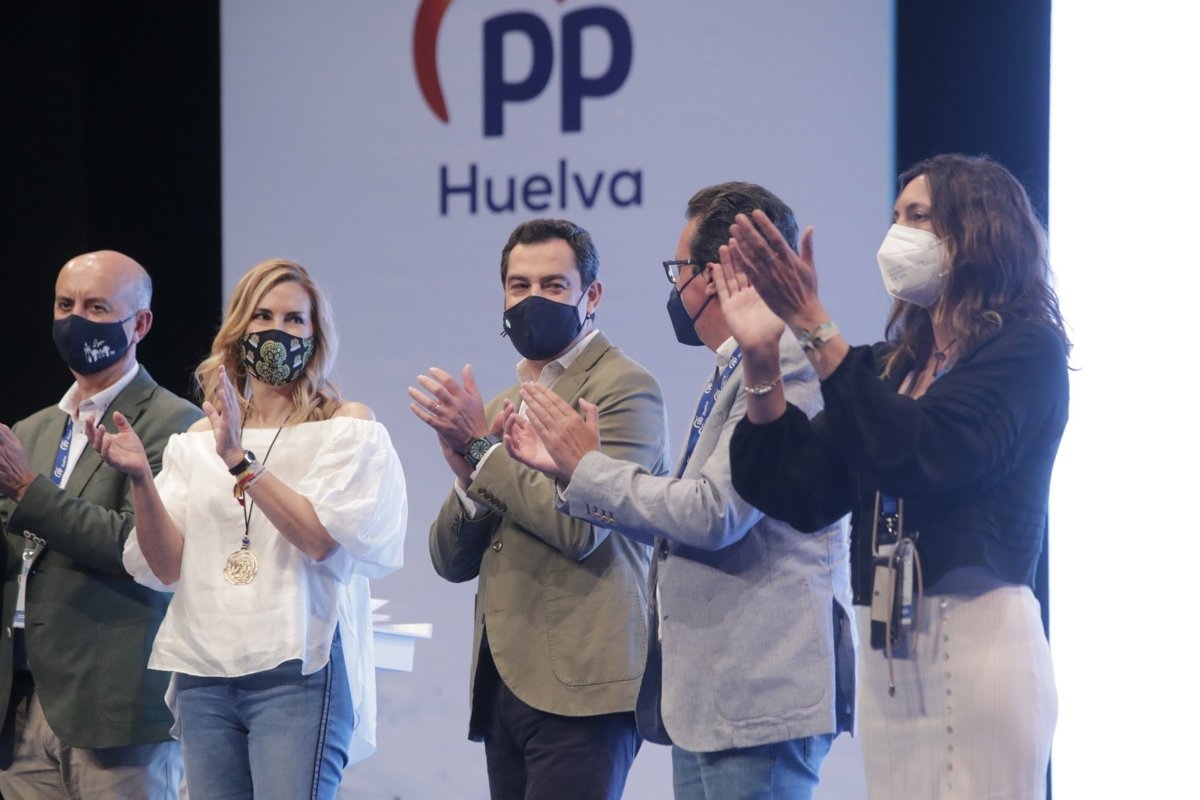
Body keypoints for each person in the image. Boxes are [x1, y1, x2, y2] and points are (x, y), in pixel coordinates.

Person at [719, 154, 1068, 799]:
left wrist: (813, 325)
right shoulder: (891, 367)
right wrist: (762, 359)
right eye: (896, 216)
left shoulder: (1026, 351)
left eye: (919, 216)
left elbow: (928, 452)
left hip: (978, 638)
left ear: (979, 230)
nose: (897, 234)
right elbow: (799, 488)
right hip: (888, 649)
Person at [503, 183, 855, 800]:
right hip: (711, 698)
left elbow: (715, 514)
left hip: (757, 695)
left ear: (717, 274)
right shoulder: (731, 369)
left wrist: (589, 467)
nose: (676, 287)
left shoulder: (785, 364)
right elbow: (686, 520)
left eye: (679, 269)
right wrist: (570, 472)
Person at [87, 258, 407, 799]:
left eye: (294, 319)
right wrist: (141, 479)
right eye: (263, 316)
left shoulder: (346, 426)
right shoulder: (197, 440)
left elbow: (321, 540)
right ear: (238, 330)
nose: (277, 331)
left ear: (315, 336)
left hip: (297, 673)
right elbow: (165, 566)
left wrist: (240, 461)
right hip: (203, 676)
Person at [413, 218, 668, 800]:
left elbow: (583, 530)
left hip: (583, 684)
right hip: (504, 685)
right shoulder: (504, 404)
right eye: (519, 286)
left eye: (554, 285)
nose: (533, 300)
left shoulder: (625, 388)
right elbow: (449, 561)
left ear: (591, 295)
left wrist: (481, 452)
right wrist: (469, 479)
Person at [0, 250, 200, 798]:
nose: (75, 320)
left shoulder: (177, 424)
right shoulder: (33, 429)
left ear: (140, 324)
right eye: (65, 305)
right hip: (22, 701)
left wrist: (27, 489)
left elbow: (137, 549)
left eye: (96, 307)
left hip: (116, 710)